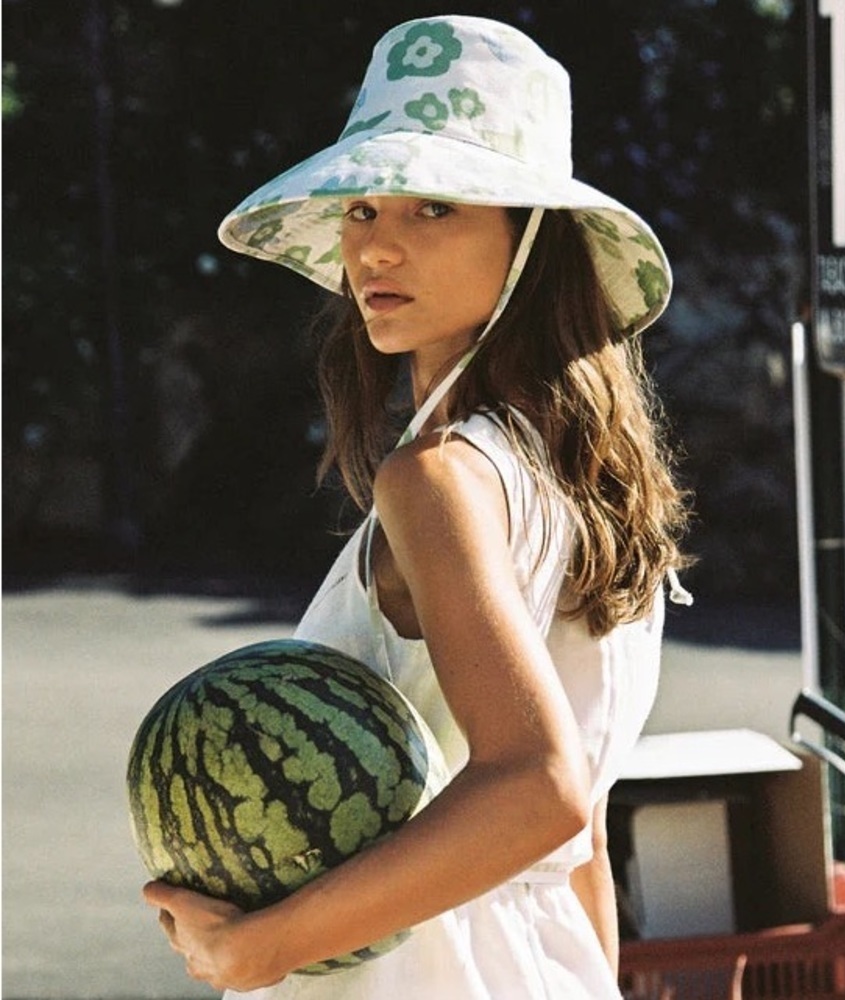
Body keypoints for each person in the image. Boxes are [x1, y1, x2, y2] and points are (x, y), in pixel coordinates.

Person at [144, 15, 691, 998]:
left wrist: (261, 947)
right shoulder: (587, 485)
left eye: (434, 209)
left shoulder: (437, 476)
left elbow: (543, 790)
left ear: (532, 241)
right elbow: (583, 844)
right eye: (362, 207)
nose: (377, 248)